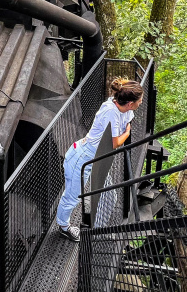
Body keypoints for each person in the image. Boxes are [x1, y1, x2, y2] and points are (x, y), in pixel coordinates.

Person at [57, 77, 144, 242]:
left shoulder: (123, 107)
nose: (141, 103)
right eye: (140, 100)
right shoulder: (110, 111)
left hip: (98, 160)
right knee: (72, 197)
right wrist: (126, 133)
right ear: (130, 103)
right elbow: (115, 142)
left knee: (110, 195)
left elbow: (128, 117)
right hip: (82, 158)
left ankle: (96, 230)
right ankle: (63, 227)